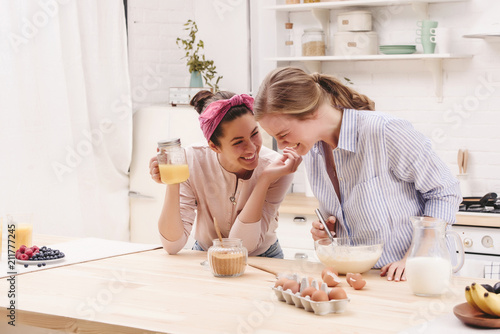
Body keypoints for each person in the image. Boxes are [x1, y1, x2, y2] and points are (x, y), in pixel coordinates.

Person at [253, 66, 461, 280]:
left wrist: (415, 257)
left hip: (415, 275)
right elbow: (346, 227)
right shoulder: (314, 152)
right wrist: (326, 236)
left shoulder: (384, 131)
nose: (281, 144)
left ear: (312, 112)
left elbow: (444, 191)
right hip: (362, 279)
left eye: (284, 134)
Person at [149, 90, 302, 258]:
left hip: (261, 257)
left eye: (254, 134)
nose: (251, 148)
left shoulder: (277, 167)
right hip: (206, 255)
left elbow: (243, 245)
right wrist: (173, 180)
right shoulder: (192, 160)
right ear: (214, 146)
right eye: (238, 142)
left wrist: (264, 181)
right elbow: (172, 245)